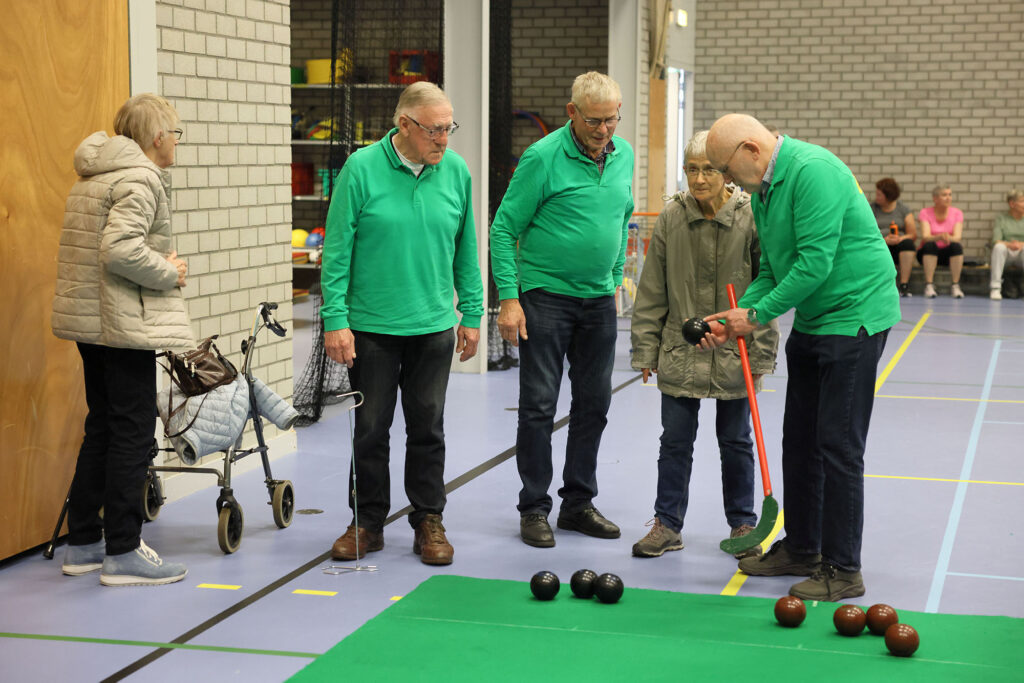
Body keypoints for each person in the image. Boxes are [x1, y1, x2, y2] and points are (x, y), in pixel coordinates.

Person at [701, 114, 900, 601]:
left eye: (726, 168)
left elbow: (815, 261)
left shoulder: (814, 172)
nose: (726, 180)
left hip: (854, 316)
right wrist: (739, 314)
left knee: (838, 445)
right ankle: (804, 547)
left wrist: (758, 315)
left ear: (750, 149)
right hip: (814, 318)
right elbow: (772, 268)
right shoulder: (766, 191)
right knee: (800, 439)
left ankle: (843, 567)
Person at [321, 82, 483, 566]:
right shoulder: (361, 169)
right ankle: (366, 522)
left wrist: (472, 312)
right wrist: (335, 319)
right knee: (370, 429)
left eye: (449, 128)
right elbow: (337, 251)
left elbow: (466, 248)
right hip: (371, 328)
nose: (444, 140)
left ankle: (428, 519)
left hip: (432, 327)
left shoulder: (455, 171)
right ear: (404, 126)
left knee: (428, 428)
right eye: (435, 130)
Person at [51, 93, 193, 586]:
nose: (177, 142)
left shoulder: (95, 176)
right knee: (133, 430)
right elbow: (119, 251)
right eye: (176, 133)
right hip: (122, 325)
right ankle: (125, 552)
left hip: (91, 325)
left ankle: (85, 542)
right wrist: (169, 271)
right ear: (158, 138)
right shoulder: (141, 178)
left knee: (104, 426)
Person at [490, 71, 634, 548]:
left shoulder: (624, 155)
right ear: (572, 113)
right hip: (544, 298)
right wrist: (509, 299)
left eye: (612, 119)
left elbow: (621, 217)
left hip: (597, 302)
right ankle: (534, 508)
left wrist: (613, 278)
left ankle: (578, 504)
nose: (604, 130)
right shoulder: (542, 158)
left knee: (594, 404)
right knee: (539, 406)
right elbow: (503, 229)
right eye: (594, 120)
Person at [629, 131, 779, 560]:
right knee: (674, 442)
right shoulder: (672, 218)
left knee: (736, 442)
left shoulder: (752, 217)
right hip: (681, 350)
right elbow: (652, 289)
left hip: (737, 350)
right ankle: (667, 524)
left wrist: (762, 355)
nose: (698, 179)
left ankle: (744, 523)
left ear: (726, 173)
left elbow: (767, 288)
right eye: (691, 169)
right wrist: (644, 349)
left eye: (708, 170)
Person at [870, 178, 918, 297]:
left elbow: (912, 234)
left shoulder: (903, 209)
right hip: (881, 244)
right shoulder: (871, 208)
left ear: (888, 196)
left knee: (908, 244)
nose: (876, 197)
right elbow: (867, 232)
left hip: (898, 246)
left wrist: (899, 239)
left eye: (879, 195)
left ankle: (904, 284)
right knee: (872, 246)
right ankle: (877, 285)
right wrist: (884, 240)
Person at [917, 185, 965, 298]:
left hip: (946, 254)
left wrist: (945, 237)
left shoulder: (957, 213)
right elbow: (925, 236)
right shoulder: (925, 212)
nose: (948, 198)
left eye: (950, 194)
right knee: (930, 245)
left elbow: (957, 237)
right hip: (927, 253)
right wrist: (939, 237)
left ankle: (955, 285)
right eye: (944, 195)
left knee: (956, 247)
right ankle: (929, 285)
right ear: (935, 199)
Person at [989, 189, 1024, 300]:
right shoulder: (1001, 218)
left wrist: (1020, 244)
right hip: (1007, 253)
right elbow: (996, 240)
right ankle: (995, 288)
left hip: (1022, 253)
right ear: (1012, 204)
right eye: (1022, 201)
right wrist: (1009, 245)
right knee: (998, 248)